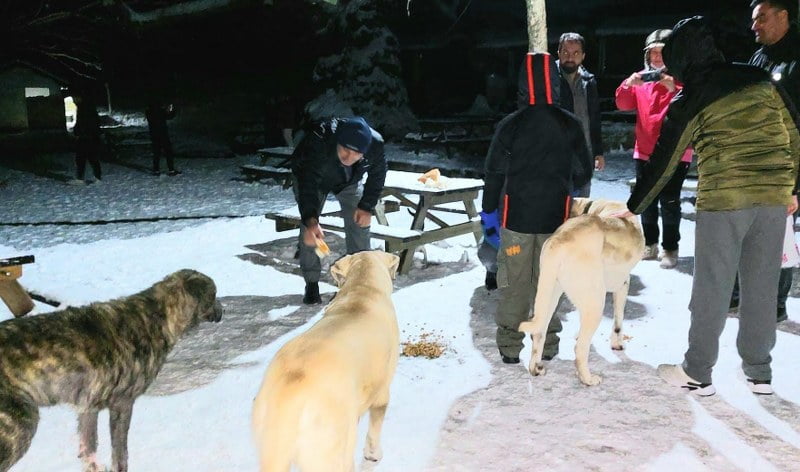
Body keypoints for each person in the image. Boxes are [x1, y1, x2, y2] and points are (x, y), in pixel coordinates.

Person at [617, 17, 800, 396]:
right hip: (772, 198)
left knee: (712, 288)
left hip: (725, 201)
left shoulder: (692, 97)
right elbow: (795, 133)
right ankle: (759, 372)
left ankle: (698, 372)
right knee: (762, 288)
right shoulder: (759, 77)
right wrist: (793, 188)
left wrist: (635, 205)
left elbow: (664, 161)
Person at [481, 52, 593, 364]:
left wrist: (488, 215)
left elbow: (493, 173)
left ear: (521, 84)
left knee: (515, 283)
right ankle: (548, 343)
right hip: (555, 222)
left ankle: (509, 346)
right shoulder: (569, 124)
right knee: (550, 282)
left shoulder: (510, 125)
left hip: (515, 220)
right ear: (554, 84)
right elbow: (584, 171)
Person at [731, 0, 800, 322]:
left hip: (786, 168)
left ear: (783, 15)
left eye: (761, 18)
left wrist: (794, 186)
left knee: (778, 237)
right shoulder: (759, 56)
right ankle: (736, 297)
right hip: (751, 161)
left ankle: (774, 306)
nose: (754, 26)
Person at [615, 29, 694, 269]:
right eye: (653, 53)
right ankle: (650, 243)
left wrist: (675, 89)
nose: (657, 58)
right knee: (646, 199)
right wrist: (629, 85)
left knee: (669, 200)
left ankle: (670, 247)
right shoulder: (642, 78)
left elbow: (696, 105)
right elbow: (622, 103)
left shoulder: (683, 78)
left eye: (662, 53)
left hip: (676, 151)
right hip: (645, 150)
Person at [291, 116, 386, 304]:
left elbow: (378, 173)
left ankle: (357, 281)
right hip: (312, 179)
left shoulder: (375, 144)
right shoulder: (318, 142)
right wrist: (311, 220)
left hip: (348, 181)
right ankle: (311, 283)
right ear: (338, 142)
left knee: (359, 223)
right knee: (311, 231)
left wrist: (366, 206)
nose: (348, 157)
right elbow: (308, 183)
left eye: (356, 154)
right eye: (345, 150)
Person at [556, 32, 605, 197]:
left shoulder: (588, 81)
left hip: (583, 156)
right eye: (566, 52)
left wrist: (598, 152)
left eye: (576, 53)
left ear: (583, 56)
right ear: (558, 53)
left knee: (580, 210)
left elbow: (594, 118)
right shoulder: (550, 79)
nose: (570, 57)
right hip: (556, 157)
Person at [69, 92, 102, 185]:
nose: (73, 101)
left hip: (87, 137)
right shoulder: (86, 107)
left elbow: (83, 123)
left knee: (84, 157)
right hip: (90, 136)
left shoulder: (84, 108)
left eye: (74, 99)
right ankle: (96, 177)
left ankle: (82, 178)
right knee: (89, 158)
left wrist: (78, 132)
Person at [145, 99, 180, 176]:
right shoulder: (160, 111)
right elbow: (169, 116)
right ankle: (171, 170)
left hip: (154, 134)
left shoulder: (149, 111)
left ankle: (156, 170)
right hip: (163, 133)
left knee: (156, 152)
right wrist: (171, 110)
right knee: (168, 151)